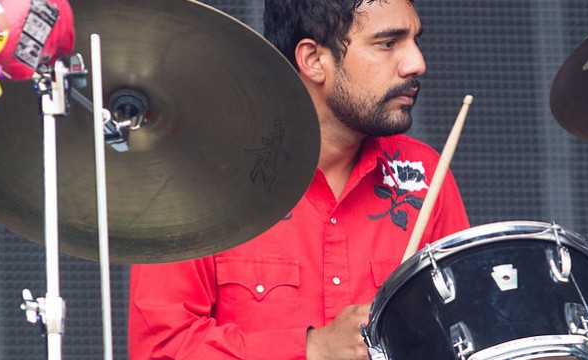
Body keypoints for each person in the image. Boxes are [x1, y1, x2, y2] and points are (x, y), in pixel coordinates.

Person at [127, 0, 470, 358]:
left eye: (415, 40)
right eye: (388, 43)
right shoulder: (197, 175)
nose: (417, 63)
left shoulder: (424, 174)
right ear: (313, 60)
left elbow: (465, 333)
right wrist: (311, 349)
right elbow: (160, 349)